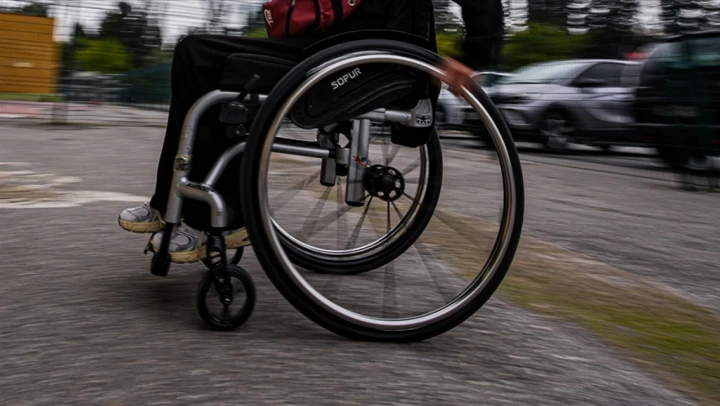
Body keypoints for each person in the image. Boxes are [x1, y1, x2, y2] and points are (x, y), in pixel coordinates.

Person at [118, 0, 492, 263]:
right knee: (193, 53)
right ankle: (168, 202)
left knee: (209, 63)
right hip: (323, 48)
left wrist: (476, 52)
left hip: (363, 59)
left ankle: (218, 218)